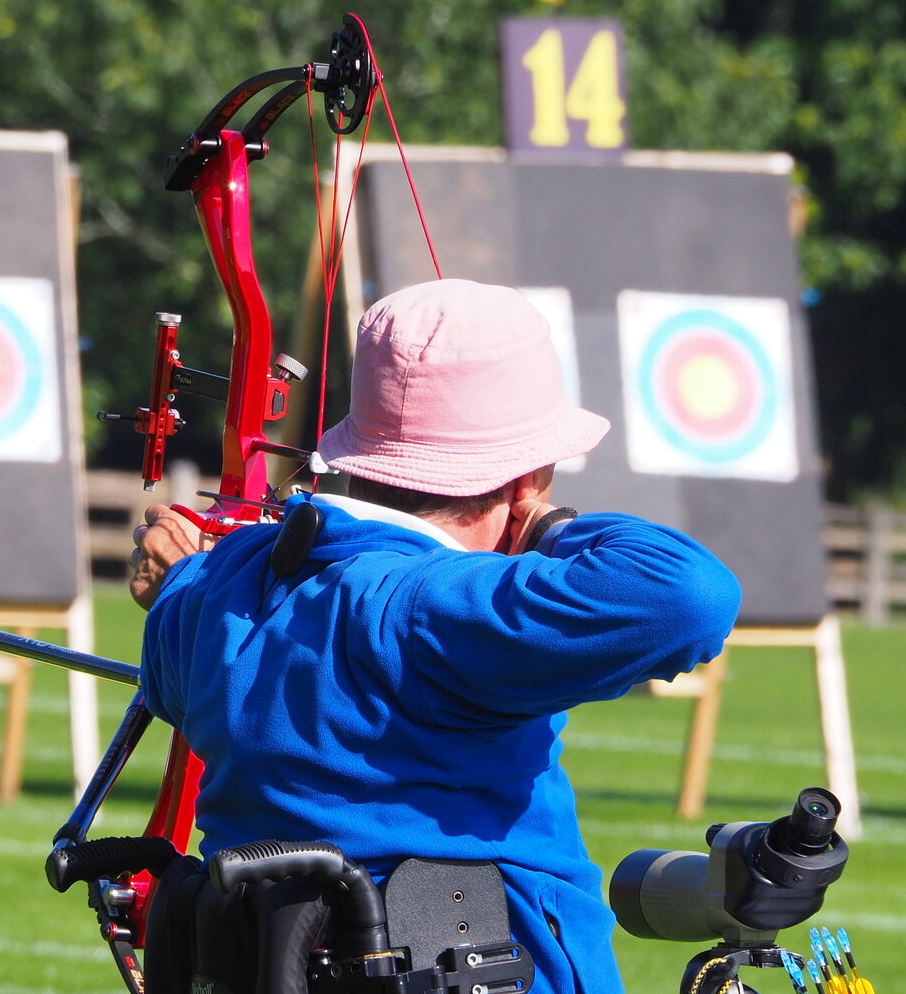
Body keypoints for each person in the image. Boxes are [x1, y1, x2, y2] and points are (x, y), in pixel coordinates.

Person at [127, 278, 741, 994]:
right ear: (526, 480)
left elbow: (184, 629)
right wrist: (544, 523)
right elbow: (690, 595)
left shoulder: (217, 592)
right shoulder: (443, 611)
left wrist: (179, 582)